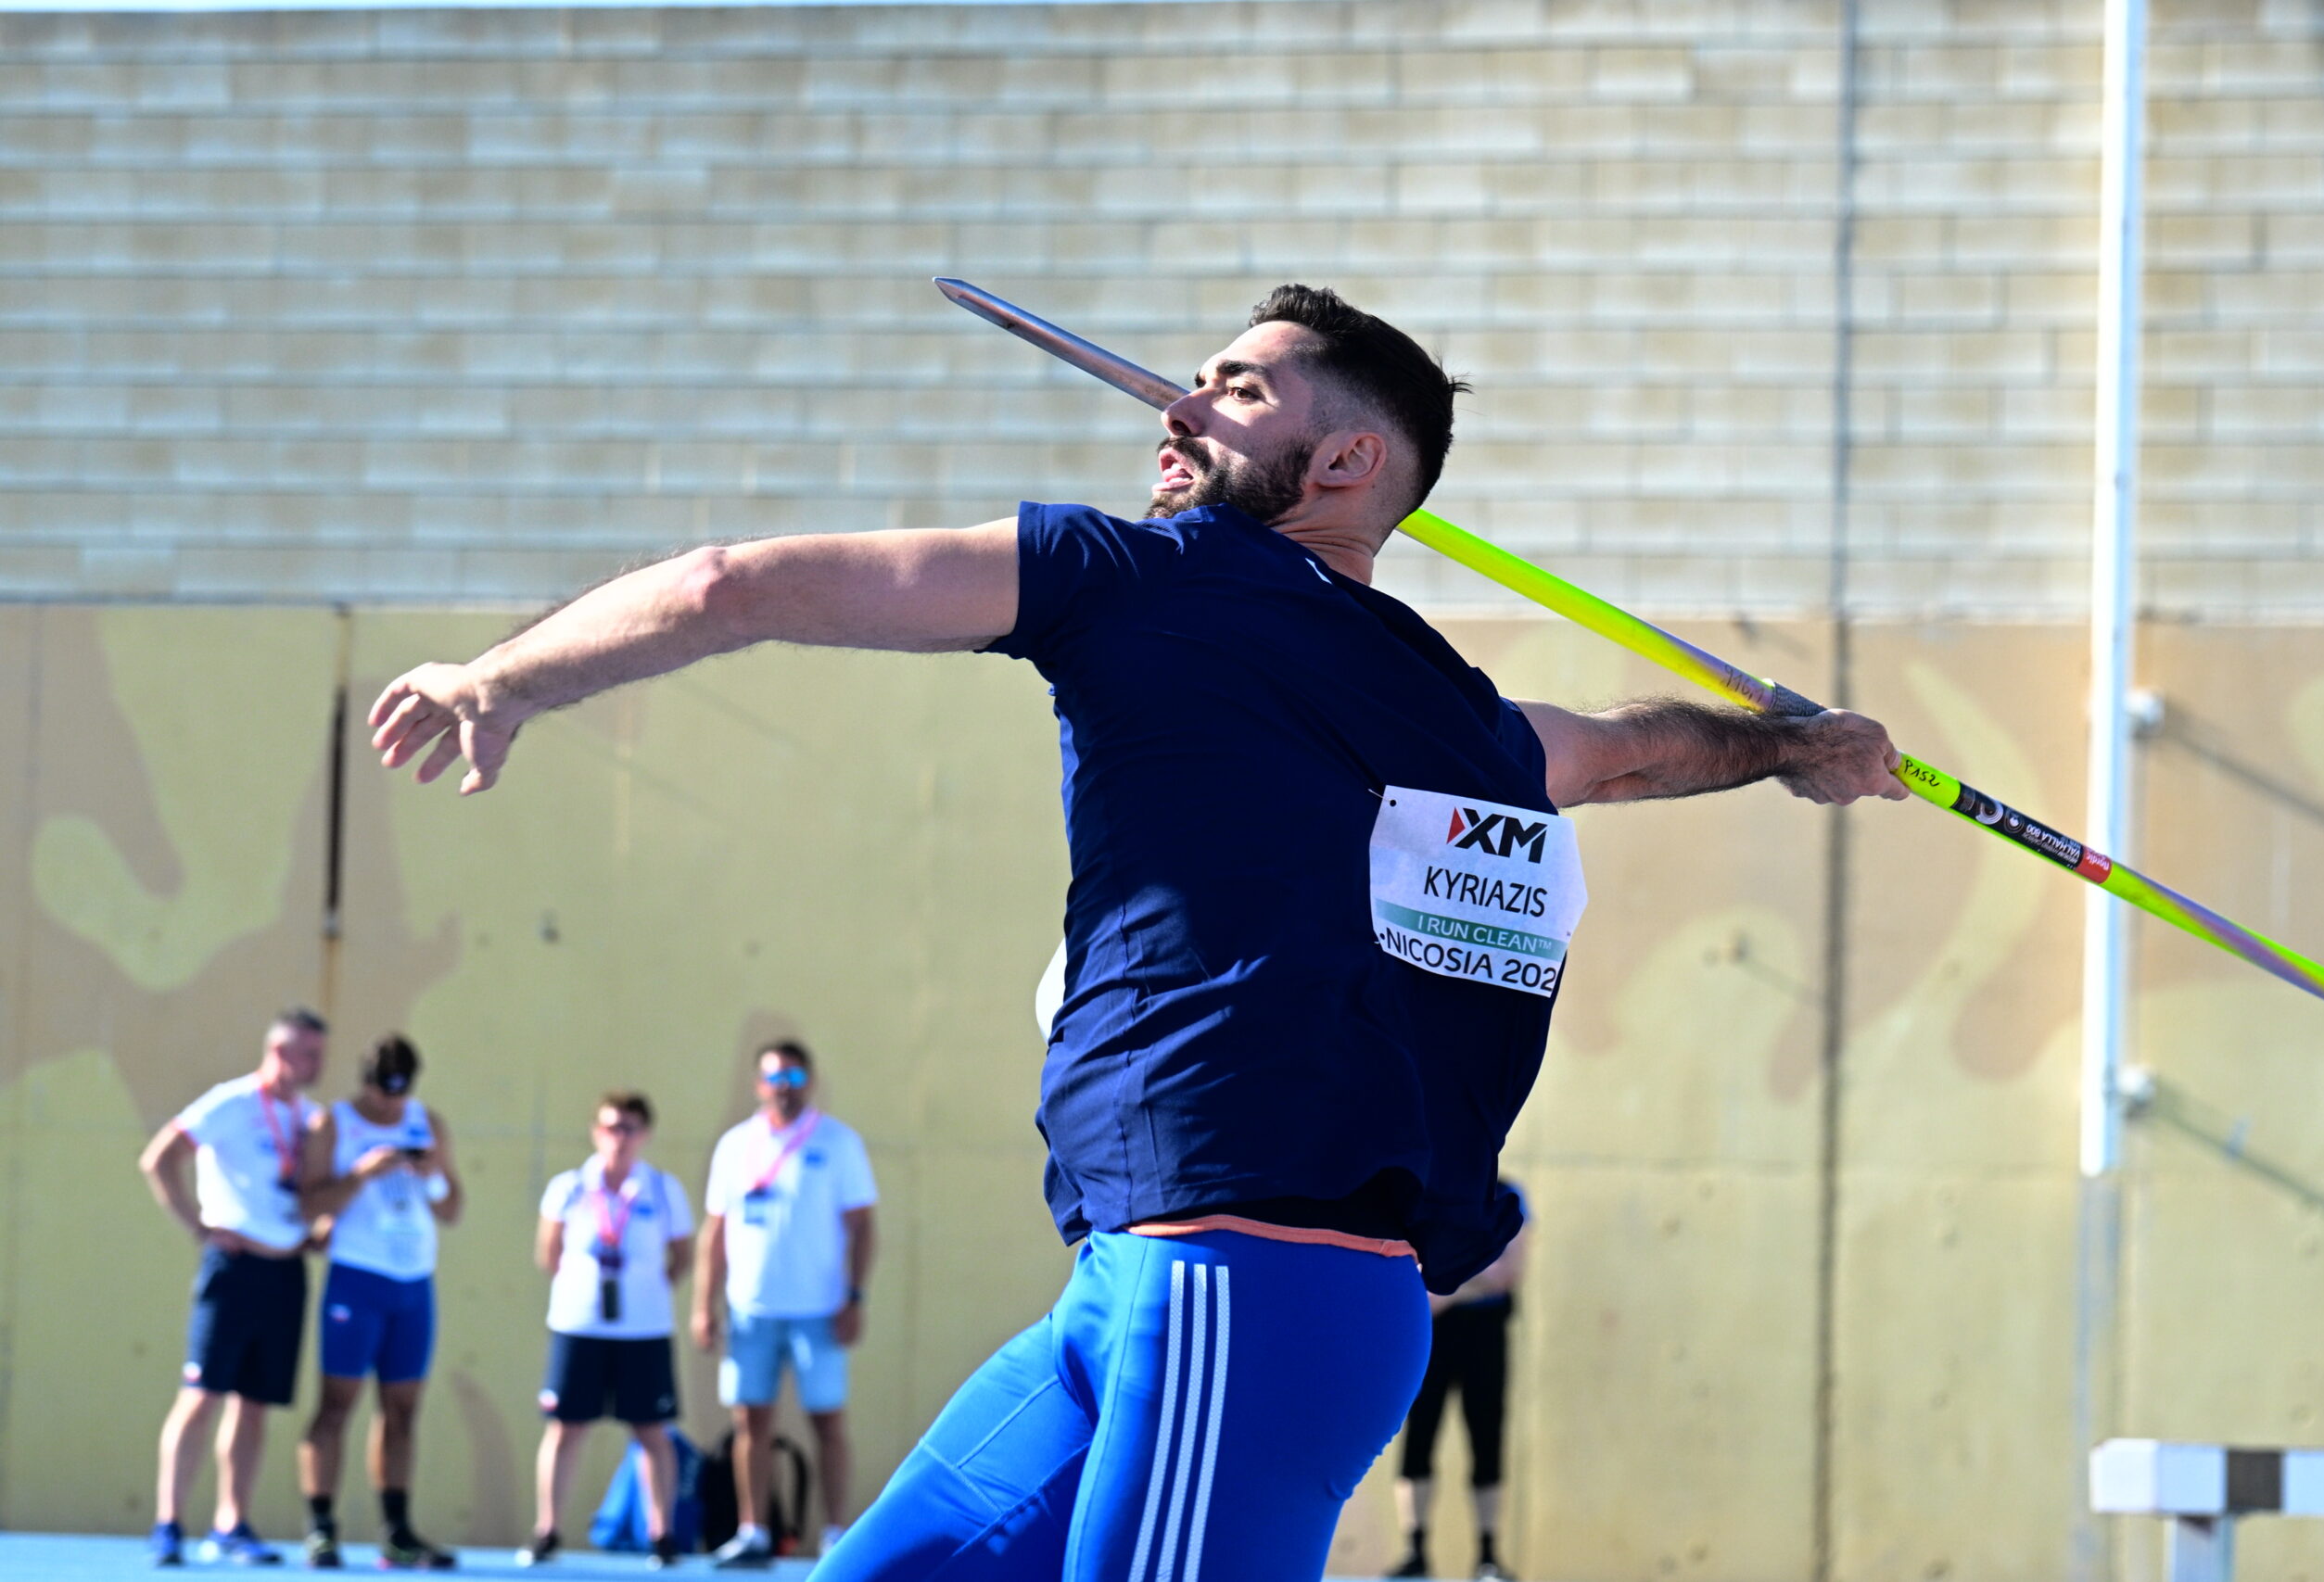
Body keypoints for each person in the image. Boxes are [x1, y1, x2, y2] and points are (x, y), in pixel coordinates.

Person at [368, 284, 1906, 1582]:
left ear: (1347, 460)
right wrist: (1785, 746)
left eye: (1236, 386)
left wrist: (504, 679)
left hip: (1251, 1277)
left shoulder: (1145, 586)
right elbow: (1630, 750)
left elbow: (737, 583)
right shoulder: (1454, 714)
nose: (1179, 400)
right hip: (1141, 1280)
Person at [138, 1007, 329, 1568]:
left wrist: (317, 1232)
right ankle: (168, 1521)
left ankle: (232, 1523)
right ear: (276, 1051)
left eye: (318, 1053)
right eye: (304, 1052)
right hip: (234, 1268)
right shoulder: (233, 1102)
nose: (313, 1063)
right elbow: (159, 1159)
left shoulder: (312, 1119)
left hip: (286, 1271)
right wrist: (199, 1226)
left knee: (254, 1406)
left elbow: (321, 1192)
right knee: (201, 1396)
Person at [693, 1041, 879, 1568]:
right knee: (751, 1422)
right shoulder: (734, 1146)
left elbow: (863, 1225)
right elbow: (715, 1232)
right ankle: (753, 1531)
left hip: (818, 1311)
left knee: (826, 1420)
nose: (784, 1090)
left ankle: (836, 1532)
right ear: (758, 1085)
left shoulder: (837, 1143)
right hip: (750, 1310)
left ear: (810, 1083)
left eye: (795, 1080)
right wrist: (703, 1306)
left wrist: (854, 1296)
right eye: (775, 1079)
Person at [294, 1034, 465, 1570]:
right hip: (358, 1279)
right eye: (382, 1091)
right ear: (365, 1081)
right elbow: (308, 1204)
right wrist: (362, 1174)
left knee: (402, 1411)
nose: (391, 1104)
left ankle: (397, 1530)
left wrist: (431, 1177)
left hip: (412, 1283)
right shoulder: (335, 1124)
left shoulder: (427, 1123)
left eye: (400, 1092)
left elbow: (454, 1208)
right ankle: (322, 1527)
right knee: (337, 1404)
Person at [521, 1091, 696, 1569]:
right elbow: (548, 1253)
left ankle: (662, 1534)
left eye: (630, 1129)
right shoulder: (569, 1188)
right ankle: (548, 1529)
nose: (620, 1138)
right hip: (579, 1326)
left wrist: (645, 1291)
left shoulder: (662, 1190)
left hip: (643, 1330)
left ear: (645, 1135)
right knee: (565, 1428)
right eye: (611, 1127)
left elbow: (682, 1256)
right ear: (597, 1132)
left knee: (651, 1430)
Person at [1391, 1180, 1530, 1581]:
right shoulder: (1429, 1187)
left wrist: (1448, 1287)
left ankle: (1488, 1556)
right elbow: (1416, 1273)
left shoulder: (1509, 1196)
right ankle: (1415, 1552)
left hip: (1485, 1336)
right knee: (1419, 1436)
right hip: (1433, 1338)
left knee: (1486, 1440)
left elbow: (1509, 1272)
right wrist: (1473, 1277)